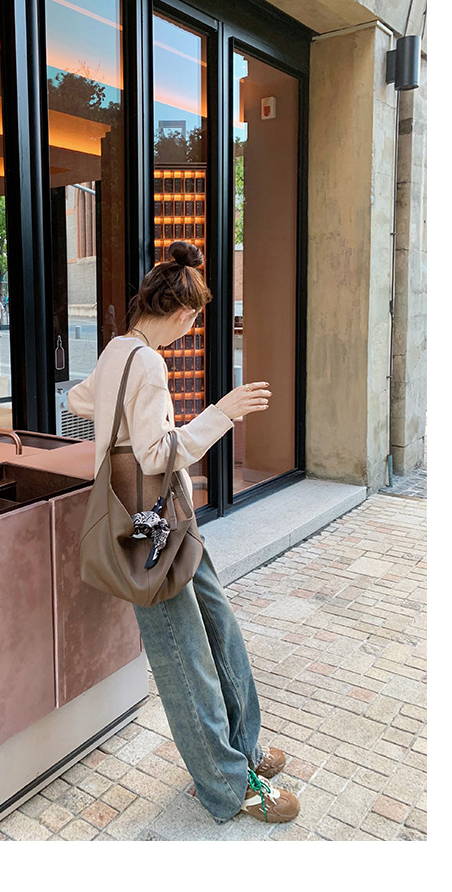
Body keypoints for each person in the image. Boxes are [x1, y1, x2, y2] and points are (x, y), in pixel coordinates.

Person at [66, 240, 300, 826]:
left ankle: (243, 750)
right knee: (186, 658)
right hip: (150, 531)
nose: (191, 332)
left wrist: (117, 422)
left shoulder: (117, 349)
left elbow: (77, 400)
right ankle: (226, 786)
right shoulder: (147, 361)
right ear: (183, 314)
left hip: (165, 522)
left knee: (218, 628)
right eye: (194, 322)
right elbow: (156, 455)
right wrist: (223, 412)